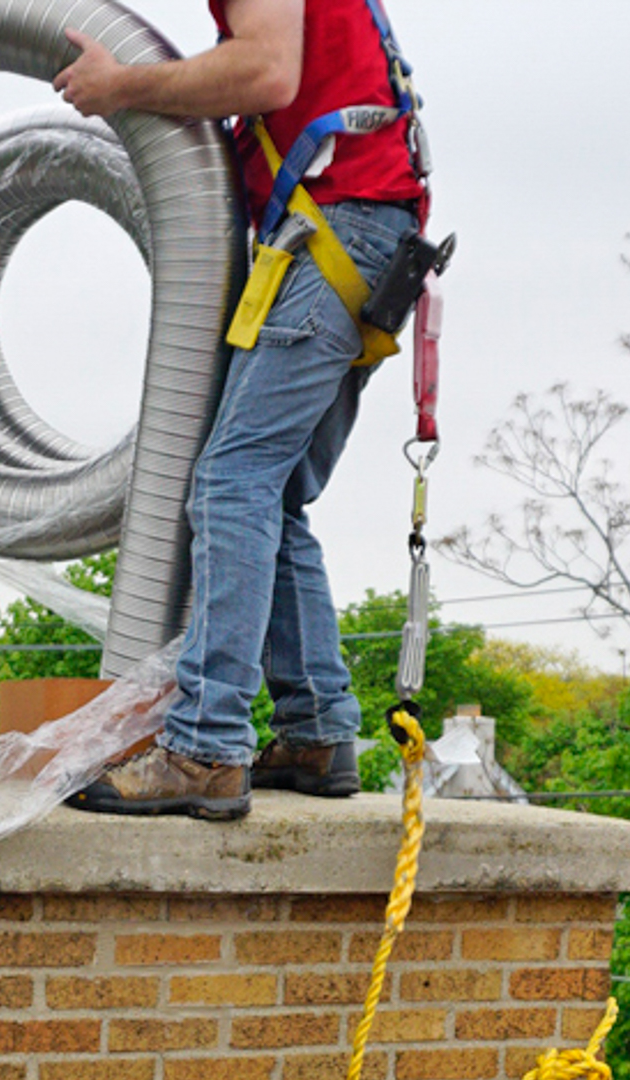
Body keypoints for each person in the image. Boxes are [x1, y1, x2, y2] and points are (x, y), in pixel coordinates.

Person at [54, 0, 426, 820]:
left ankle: (205, 748)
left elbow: (264, 73)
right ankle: (317, 731)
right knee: (277, 493)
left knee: (232, 482)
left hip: (335, 229)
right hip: (364, 234)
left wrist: (120, 85)